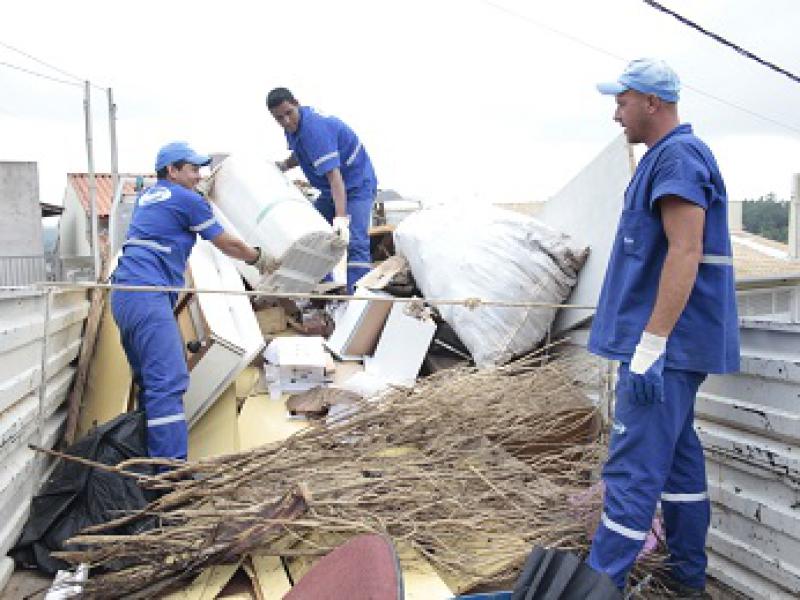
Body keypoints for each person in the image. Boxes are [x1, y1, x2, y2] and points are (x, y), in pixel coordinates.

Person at [586, 59, 740, 597]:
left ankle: (598, 588)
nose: (616, 115)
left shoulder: (677, 157)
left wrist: (651, 346)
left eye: (622, 102)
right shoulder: (665, 158)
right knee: (678, 468)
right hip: (673, 349)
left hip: (664, 351)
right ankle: (688, 584)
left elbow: (685, 250)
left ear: (652, 102)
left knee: (631, 475)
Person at [111, 141, 279, 462]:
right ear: (172, 171)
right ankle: (170, 472)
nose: (198, 176)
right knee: (168, 383)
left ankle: (148, 464)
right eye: (192, 169)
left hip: (125, 297)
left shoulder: (148, 196)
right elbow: (227, 244)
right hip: (148, 295)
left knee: (150, 384)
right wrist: (260, 259)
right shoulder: (187, 200)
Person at [267, 87, 377, 293]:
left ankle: (359, 297)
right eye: (279, 118)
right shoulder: (294, 127)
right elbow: (303, 152)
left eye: (289, 113)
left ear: (297, 103)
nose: (286, 121)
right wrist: (284, 165)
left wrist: (341, 218)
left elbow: (335, 178)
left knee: (354, 241)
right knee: (313, 233)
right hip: (330, 190)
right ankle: (325, 290)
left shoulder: (314, 130)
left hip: (356, 185)